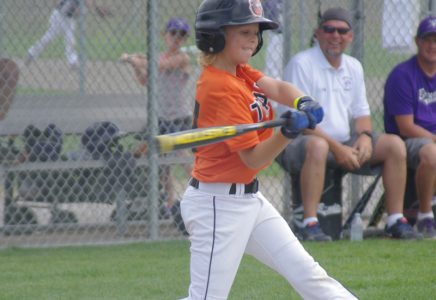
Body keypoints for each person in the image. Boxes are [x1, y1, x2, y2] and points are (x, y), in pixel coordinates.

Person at [180, 1, 357, 299]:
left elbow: (276, 88)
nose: (253, 39)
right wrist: (287, 133)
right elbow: (252, 159)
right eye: (244, 32)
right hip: (217, 205)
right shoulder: (220, 86)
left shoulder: (239, 72)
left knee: (308, 274)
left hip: (249, 200)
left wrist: (303, 102)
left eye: (256, 33)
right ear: (216, 35)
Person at [276, 6, 421, 241]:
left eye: (342, 31)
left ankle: (395, 219)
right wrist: (337, 148)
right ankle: (309, 223)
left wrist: (364, 136)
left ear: (350, 37)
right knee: (318, 146)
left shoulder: (353, 66)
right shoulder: (301, 63)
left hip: (341, 141)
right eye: (329, 30)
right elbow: (301, 122)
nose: (336, 36)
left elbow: (362, 113)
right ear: (318, 33)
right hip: (297, 141)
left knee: (394, 145)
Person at [120, 17, 192, 218]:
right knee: (160, 166)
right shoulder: (157, 58)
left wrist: (134, 59)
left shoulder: (182, 58)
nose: (177, 38)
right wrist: (135, 65)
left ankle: (204, 190)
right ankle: (168, 204)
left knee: (182, 156)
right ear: (165, 35)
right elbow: (145, 80)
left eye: (181, 35)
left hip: (177, 118)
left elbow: (160, 66)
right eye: (173, 34)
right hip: (160, 120)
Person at [383, 15, 436, 239]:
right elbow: (405, 126)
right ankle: (425, 216)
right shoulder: (403, 74)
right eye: (427, 40)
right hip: (409, 141)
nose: (432, 46)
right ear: (417, 41)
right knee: (432, 153)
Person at [25, 0, 110, 69]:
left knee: (70, 41)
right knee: (48, 38)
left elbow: (86, 6)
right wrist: (96, 9)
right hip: (59, 17)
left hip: (69, 20)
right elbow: (82, 7)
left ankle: (73, 62)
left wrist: (96, 9)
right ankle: (31, 53)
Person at [262, 0, 283, 80]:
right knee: (274, 50)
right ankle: (272, 75)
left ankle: (274, 75)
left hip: (278, 31)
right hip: (275, 31)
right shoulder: (271, 3)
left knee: (277, 51)